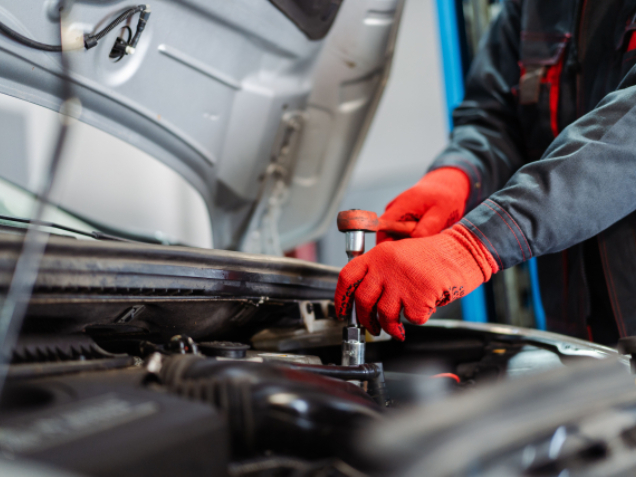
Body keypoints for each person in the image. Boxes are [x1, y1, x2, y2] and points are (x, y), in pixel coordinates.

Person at [335, 0, 636, 345]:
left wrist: (473, 245)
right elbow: (497, 116)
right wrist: (456, 178)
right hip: (579, 336)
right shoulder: (531, 7)